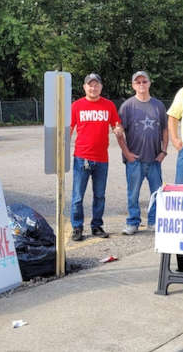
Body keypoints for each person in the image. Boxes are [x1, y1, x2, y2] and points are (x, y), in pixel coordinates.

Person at [70, 73, 122, 241]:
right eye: (90, 85)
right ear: (84, 87)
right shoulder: (77, 106)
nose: (93, 88)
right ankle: (77, 227)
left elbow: (116, 124)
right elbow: (68, 129)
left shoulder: (108, 105)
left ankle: (97, 226)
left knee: (99, 195)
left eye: (96, 85)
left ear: (101, 87)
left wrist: (118, 130)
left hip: (101, 158)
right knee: (78, 196)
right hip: (81, 157)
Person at [117, 71, 168, 235]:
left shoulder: (158, 105)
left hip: (154, 159)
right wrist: (127, 153)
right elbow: (119, 132)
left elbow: (165, 130)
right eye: (137, 82)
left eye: (144, 81)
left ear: (149, 83)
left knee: (157, 193)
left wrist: (164, 151)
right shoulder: (127, 106)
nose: (141, 85)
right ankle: (133, 222)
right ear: (133, 85)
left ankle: (154, 221)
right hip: (135, 160)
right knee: (133, 194)